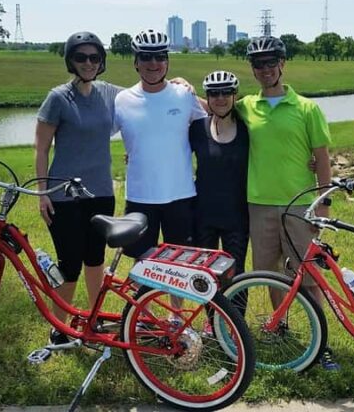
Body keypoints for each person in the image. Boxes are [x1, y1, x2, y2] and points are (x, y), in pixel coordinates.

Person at [234, 36, 337, 369]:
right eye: (258, 64)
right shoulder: (246, 106)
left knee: (307, 275)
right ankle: (279, 327)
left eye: (270, 63)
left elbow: (321, 157)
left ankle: (321, 342)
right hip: (259, 203)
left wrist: (324, 203)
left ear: (282, 64)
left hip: (299, 204)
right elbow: (213, 105)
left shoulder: (307, 108)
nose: (264, 70)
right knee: (268, 272)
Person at [35, 31, 120, 345]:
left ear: (101, 62)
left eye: (94, 58)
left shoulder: (108, 93)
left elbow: (144, 95)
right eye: (81, 57)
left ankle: (93, 321)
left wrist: (178, 83)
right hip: (64, 195)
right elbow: (41, 148)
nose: (88, 63)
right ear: (71, 60)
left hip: (100, 193)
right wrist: (42, 193)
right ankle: (61, 327)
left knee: (95, 258)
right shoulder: (58, 97)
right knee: (69, 262)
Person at [114, 29, 207, 261]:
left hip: (180, 194)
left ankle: (175, 301)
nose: (153, 63)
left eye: (160, 57)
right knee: (142, 264)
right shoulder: (122, 100)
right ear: (136, 62)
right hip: (140, 196)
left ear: (167, 61)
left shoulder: (183, 94)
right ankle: (143, 299)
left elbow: (218, 114)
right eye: (146, 57)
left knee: (181, 264)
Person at [189, 71, 249, 281]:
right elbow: (172, 153)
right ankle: (211, 316)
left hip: (237, 216)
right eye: (214, 94)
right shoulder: (197, 128)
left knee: (236, 275)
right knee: (205, 275)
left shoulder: (247, 130)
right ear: (208, 97)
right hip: (203, 214)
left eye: (226, 93)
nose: (220, 98)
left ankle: (235, 316)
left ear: (235, 96)